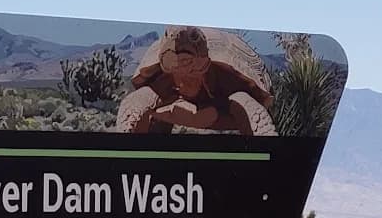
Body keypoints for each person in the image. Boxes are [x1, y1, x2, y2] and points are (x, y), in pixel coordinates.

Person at [115, 25, 276, 135]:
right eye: (169, 35)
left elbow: (250, 106)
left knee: (244, 105)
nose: (179, 38)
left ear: (205, 52)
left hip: (229, 104)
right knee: (138, 112)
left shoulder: (236, 93)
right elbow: (134, 103)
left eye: (192, 37)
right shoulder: (155, 90)